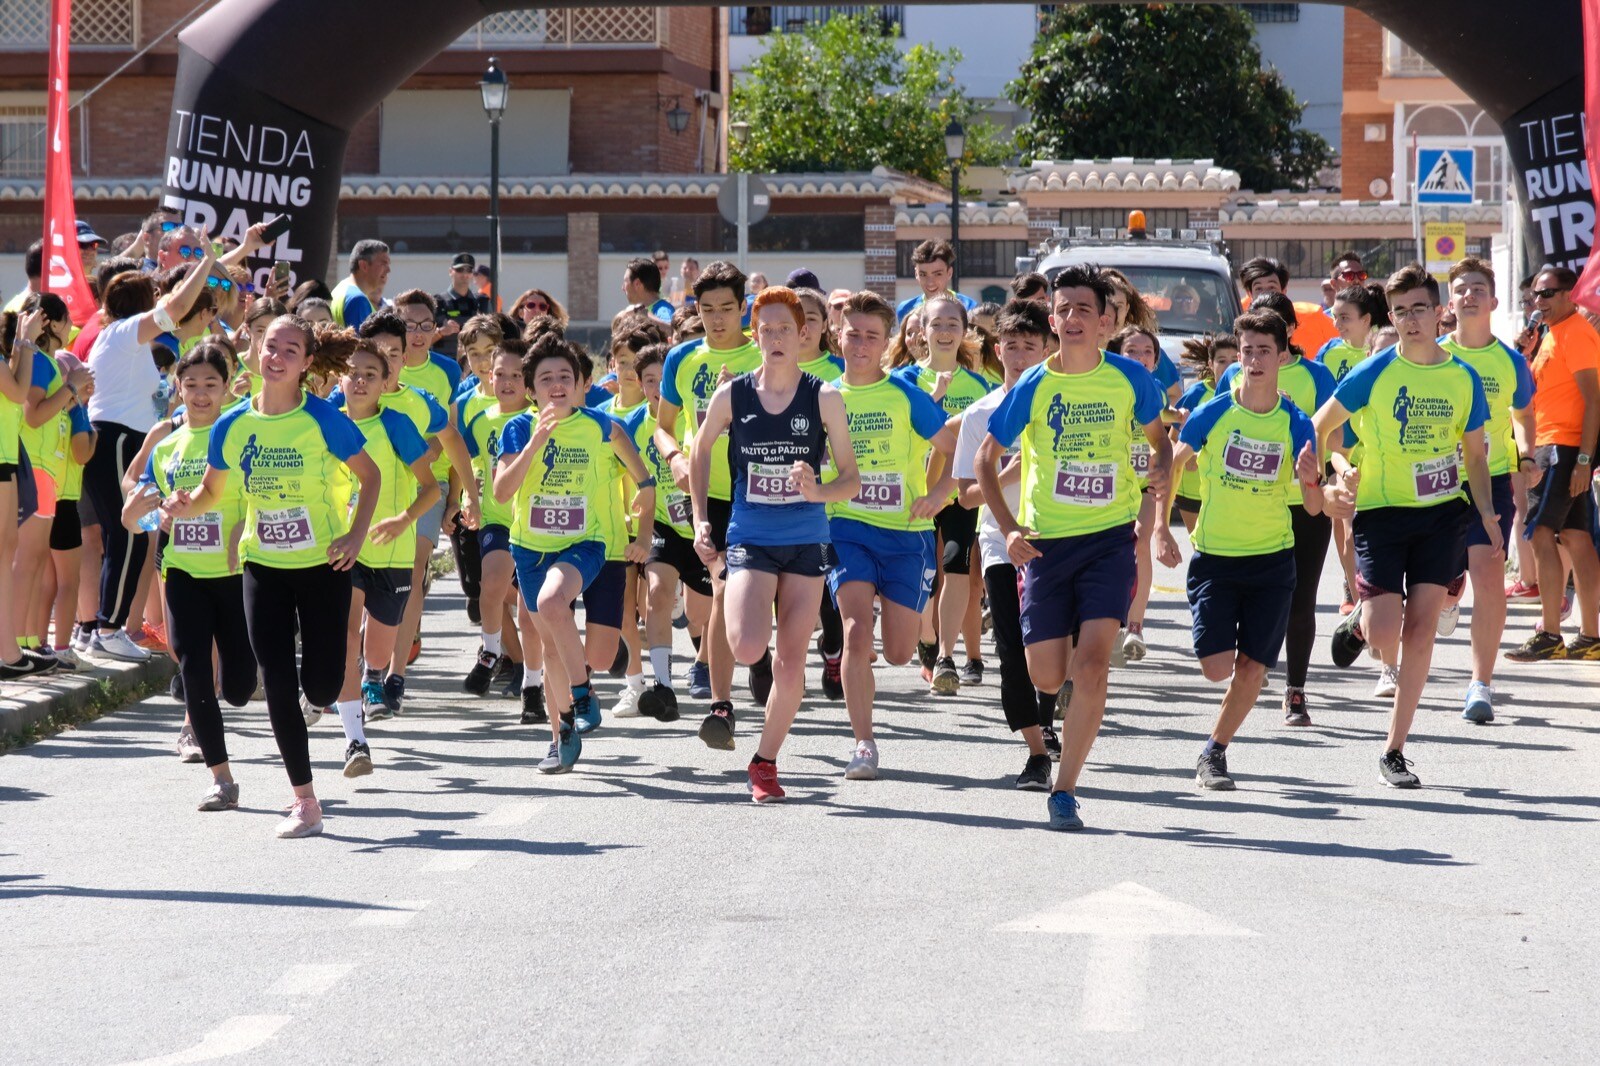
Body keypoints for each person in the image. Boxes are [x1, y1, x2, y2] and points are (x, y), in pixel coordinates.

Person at [163, 315, 380, 837]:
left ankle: (323, 696)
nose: (276, 355)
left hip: (323, 565)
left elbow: (369, 476)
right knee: (278, 683)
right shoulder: (233, 424)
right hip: (261, 564)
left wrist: (354, 535)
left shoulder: (322, 418)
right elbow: (213, 493)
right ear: (257, 351)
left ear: (307, 363)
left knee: (321, 681)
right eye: (269, 345)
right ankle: (305, 801)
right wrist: (186, 504)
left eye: (290, 349)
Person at [976, 265, 1171, 830]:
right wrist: (1009, 528)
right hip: (1046, 546)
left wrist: (1159, 470)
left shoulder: (1131, 378)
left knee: (1092, 667)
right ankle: (1059, 701)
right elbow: (987, 461)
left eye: (1083, 309)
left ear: (1106, 320)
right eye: (1062, 310)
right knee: (1045, 676)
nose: (1072, 319)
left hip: (1109, 539)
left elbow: (1159, 441)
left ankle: (1065, 790)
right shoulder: (1035, 384)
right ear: (1053, 319)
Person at [1312, 264, 1497, 789]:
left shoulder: (1461, 377)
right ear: (1389, 317)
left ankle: (1394, 749)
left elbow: (1476, 456)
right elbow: (1321, 429)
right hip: (1382, 514)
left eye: (1419, 308)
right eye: (1400, 311)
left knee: (1420, 633)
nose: (1411, 319)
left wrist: (1487, 515)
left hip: (1442, 516)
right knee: (1384, 633)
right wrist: (1339, 474)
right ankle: (1359, 624)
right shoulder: (1374, 371)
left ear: (1438, 313)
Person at [689, 286, 858, 801]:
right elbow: (698, 455)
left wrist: (819, 489)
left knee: (790, 664)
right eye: (768, 330)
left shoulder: (823, 395)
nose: (778, 338)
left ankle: (764, 762)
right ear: (755, 335)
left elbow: (851, 478)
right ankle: (745, 707)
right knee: (745, 645)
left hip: (807, 541)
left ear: (804, 334)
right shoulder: (733, 395)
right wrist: (700, 521)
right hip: (751, 536)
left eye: (787, 328)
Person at [1156, 312, 1325, 789]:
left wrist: (1311, 478)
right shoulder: (1215, 411)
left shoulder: (1297, 423)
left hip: (1273, 559)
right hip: (1215, 558)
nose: (1253, 360)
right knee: (1216, 669)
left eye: (1263, 351)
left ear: (1281, 356)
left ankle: (1215, 752)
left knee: (1251, 668)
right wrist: (1159, 530)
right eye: (1246, 350)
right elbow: (1172, 465)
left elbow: (1313, 507)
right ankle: (1232, 704)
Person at [494, 335, 654, 775]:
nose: (557, 384)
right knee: (550, 647)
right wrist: (534, 444)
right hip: (530, 549)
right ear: (532, 389)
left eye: (566, 376)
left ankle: (584, 689)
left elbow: (645, 479)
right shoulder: (518, 428)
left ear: (583, 384)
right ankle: (561, 734)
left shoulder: (602, 427)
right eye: (546, 378)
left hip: (588, 542)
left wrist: (642, 523)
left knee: (587, 645)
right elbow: (502, 491)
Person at [826, 290, 956, 779]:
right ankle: (864, 743)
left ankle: (894, 621)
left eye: (871, 335)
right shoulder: (823, 395)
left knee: (899, 652)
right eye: (853, 333)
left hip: (906, 533)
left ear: (888, 342)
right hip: (847, 529)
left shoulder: (905, 394)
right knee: (857, 632)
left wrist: (939, 492)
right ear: (838, 334)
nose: (860, 343)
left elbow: (954, 446)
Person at [121, 342, 254, 810]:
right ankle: (222, 778)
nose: (199, 394)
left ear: (225, 385)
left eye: (210, 385)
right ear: (178, 387)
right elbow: (143, 515)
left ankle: (240, 681)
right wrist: (138, 513)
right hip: (182, 570)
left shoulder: (239, 433)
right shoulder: (167, 447)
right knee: (194, 667)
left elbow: (262, 492)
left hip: (235, 573)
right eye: (191, 384)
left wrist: (244, 525)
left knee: (237, 684)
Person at [83, 242, 217, 663]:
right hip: (119, 439)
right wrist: (207, 263)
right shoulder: (124, 333)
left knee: (130, 533)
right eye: (152, 302)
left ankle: (108, 628)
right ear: (141, 307)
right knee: (128, 532)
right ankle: (108, 628)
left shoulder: (125, 343)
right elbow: (175, 309)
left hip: (121, 440)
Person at [953, 299, 1067, 790]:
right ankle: (1037, 753)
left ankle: (1047, 712)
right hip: (1000, 542)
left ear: (1047, 349)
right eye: (1012, 347)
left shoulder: (1062, 399)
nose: (1020, 356)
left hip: (1057, 537)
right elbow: (965, 496)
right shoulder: (980, 414)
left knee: (1051, 646)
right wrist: (1012, 469)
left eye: (1031, 347)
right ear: (997, 351)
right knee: (1010, 647)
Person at [1213, 293, 1337, 725]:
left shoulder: (1317, 376)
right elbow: (1216, 430)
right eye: (1253, 341)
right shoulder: (1234, 372)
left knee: (1301, 598)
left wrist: (1313, 455)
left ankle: (1296, 690)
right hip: (1249, 502)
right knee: (1249, 594)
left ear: (1286, 337)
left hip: (1302, 502)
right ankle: (1249, 661)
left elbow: (1335, 440)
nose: (1259, 353)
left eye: (1274, 332)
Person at [653, 262, 765, 738]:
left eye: (726, 309)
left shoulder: (767, 353)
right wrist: (676, 456)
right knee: (722, 590)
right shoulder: (681, 357)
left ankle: (760, 654)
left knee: (754, 596)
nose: (717, 319)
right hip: (711, 494)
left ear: (745, 309)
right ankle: (721, 706)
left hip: (763, 494)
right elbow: (662, 425)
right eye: (706, 309)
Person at [330, 335, 438, 775]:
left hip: (392, 552)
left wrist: (403, 521)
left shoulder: (396, 425)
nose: (359, 381)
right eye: (353, 373)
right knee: (344, 636)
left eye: (370, 375)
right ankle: (355, 741)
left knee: (377, 650)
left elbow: (431, 488)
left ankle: (371, 675)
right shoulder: (326, 422)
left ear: (385, 381)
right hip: (342, 548)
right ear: (340, 377)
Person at [1434, 258, 1535, 719]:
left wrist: (1527, 455)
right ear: (1449, 302)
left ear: (1493, 301)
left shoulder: (1511, 361)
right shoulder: (1431, 355)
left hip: (1490, 479)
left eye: (1478, 287)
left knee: (1489, 577)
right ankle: (1449, 591)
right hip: (1434, 478)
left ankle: (1480, 684)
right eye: (1461, 288)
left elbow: (1523, 415)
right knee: (1441, 583)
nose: (1469, 294)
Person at [894, 294, 993, 692]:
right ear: (921, 331)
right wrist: (933, 399)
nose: (946, 331)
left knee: (954, 564)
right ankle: (927, 636)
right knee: (924, 574)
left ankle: (946, 658)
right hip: (912, 492)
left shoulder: (980, 386)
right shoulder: (902, 381)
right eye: (937, 324)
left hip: (958, 493)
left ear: (965, 331)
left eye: (954, 324)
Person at [1505, 265, 1600, 661]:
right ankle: (1591, 636)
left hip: (1563, 448)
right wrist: (1522, 350)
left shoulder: (1576, 332)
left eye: (1546, 294)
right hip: (1553, 444)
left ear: (1568, 295)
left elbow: (1594, 401)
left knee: (1540, 533)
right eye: (1534, 296)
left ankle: (1550, 632)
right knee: (1576, 538)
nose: (1538, 302)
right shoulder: (1551, 333)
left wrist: (1582, 460)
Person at [625, 343, 705, 723]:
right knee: (656, 593)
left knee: (701, 615)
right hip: (661, 525)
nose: (657, 388)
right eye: (649, 380)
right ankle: (664, 687)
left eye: (663, 379)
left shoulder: (691, 417)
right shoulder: (630, 427)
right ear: (640, 385)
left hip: (704, 522)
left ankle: (725, 662)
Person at [463, 338, 541, 718]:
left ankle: (534, 677)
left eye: (516, 375)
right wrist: (467, 500)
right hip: (496, 518)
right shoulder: (480, 419)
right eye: (500, 374)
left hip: (534, 523)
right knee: (490, 583)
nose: (507, 381)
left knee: (531, 610)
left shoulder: (540, 419)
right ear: (487, 375)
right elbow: (472, 467)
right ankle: (491, 650)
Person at [1319, 282, 1390, 614]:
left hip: (1380, 450)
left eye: (1345, 317)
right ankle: (1356, 589)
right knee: (1344, 528)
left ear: (1367, 320)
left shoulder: (1388, 346)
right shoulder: (1329, 353)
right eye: (1335, 317)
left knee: (1367, 531)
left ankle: (1372, 589)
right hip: (1340, 450)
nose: (1338, 324)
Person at [1, 305, 51, 678]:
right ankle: (7, 651)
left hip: (5, 458)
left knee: (6, 552)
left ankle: (8, 650)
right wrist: (27, 341)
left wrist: (22, 339)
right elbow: (20, 392)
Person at [1171, 334, 1239, 532]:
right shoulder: (1196, 394)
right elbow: (1172, 439)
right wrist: (1187, 456)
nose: (1228, 366)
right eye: (1221, 361)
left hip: (1229, 490)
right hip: (1192, 491)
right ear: (1210, 363)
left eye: (1234, 361)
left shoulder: (1248, 395)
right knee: (1202, 551)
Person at [1238, 256, 1338, 356]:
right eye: (1259, 288)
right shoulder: (1241, 325)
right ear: (1250, 294)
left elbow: (1342, 344)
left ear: (1284, 290)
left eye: (1272, 287)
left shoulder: (1311, 316)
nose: (1265, 294)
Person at [897, 240, 978, 323]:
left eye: (938, 274)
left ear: (949, 273)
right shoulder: (905, 309)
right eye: (923, 275)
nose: (930, 282)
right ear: (916, 274)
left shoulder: (969, 307)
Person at [433, 252, 490, 357]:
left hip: (472, 364)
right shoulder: (438, 302)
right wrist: (441, 332)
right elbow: (423, 340)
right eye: (459, 270)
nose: (465, 275)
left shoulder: (481, 303)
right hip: (444, 363)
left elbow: (492, 337)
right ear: (451, 271)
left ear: (473, 274)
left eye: (469, 270)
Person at [328, 240, 391, 329]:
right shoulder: (358, 299)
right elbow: (362, 342)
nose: (388, 270)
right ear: (364, 266)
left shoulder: (340, 289)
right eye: (383, 263)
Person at [621, 257, 676, 324]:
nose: (623, 288)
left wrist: (645, 315)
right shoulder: (640, 310)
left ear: (637, 284)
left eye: (625, 282)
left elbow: (672, 330)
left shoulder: (663, 310)